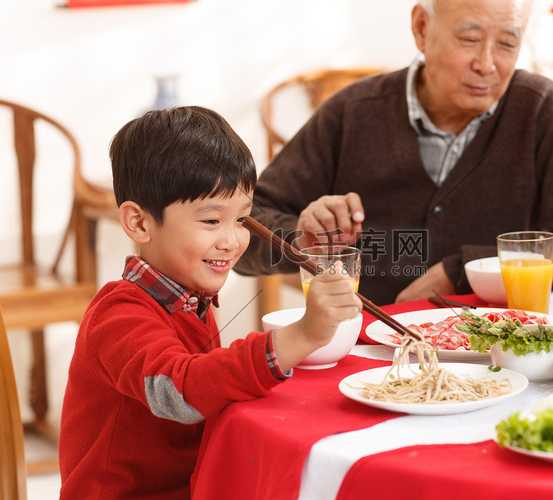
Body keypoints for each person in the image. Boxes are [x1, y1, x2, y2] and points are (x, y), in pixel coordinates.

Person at [58, 106, 361, 499]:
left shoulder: (192, 300)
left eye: (243, 220)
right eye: (211, 221)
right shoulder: (118, 314)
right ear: (139, 223)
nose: (231, 241)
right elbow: (179, 392)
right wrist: (300, 335)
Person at [235, 0, 553, 306]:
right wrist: (302, 237)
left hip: (505, 354)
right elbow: (242, 230)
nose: (487, 64)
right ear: (422, 28)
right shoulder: (353, 112)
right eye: (470, 39)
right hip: (370, 353)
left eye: (507, 44)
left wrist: (463, 271)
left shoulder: (540, 110)